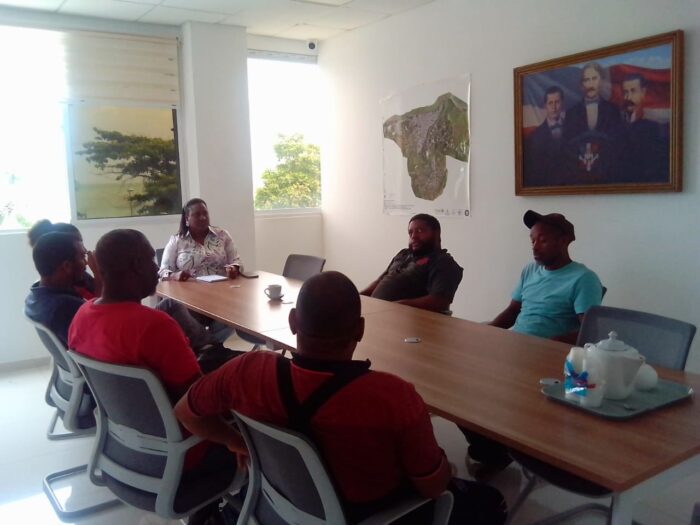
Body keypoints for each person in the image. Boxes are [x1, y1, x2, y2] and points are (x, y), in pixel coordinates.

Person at [174, 271, 507, 524]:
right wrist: (445, 467)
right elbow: (432, 488)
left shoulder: (246, 371)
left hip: (280, 505)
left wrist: (237, 442)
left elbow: (186, 412)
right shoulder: (393, 396)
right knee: (490, 500)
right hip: (368, 514)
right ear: (360, 329)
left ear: (292, 322)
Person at [68, 228, 238, 525]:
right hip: (182, 457)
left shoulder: (81, 318)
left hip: (125, 451)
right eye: (151, 260)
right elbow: (199, 407)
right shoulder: (155, 326)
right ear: (135, 266)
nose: (156, 269)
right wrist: (239, 439)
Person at [491, 210, 603, 343]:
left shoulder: (584, 279)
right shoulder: (530, 270)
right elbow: (512, 311)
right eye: (532, 241)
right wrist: (487, 330)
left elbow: (590, 331)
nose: (535, 247)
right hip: (516, 343)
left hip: (549, 350)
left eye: (543, 240)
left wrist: (552, 343)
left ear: (563, 241)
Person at [159, 198, 241, 343]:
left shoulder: (222, 235)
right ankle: (210, 345)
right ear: (187, 219)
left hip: (221, 294)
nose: (203, 217)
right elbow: (163, 271)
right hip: (190, 298)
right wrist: (175, 275)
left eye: (205, 213)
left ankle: (207, 345)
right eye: (197, 215)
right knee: (186, 319)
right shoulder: (177, 241)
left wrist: (234, 268)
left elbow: (237, 261)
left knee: (236, 312)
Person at [360, 214, 463, 313]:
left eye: (420, 231)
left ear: (436, 233)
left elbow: (439, 301)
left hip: (405, 318)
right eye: (410, 232)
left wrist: (394, 307)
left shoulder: (443, 262)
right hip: (377, 311)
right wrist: (357, 297)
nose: (414, 236)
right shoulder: (403, 254)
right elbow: (380, 281)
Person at [25, 232, 90, 347]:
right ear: (67, 266)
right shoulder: (66, 306)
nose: (86, 263)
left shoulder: (33, 297)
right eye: (82, 257)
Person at [562, 62, 622, 181]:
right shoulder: (571, 114)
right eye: (586, 80)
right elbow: (566, 148)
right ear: (582, 85)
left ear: (601, 81)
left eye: (594, 78)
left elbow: (618, 145)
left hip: (608, 177)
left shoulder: (613, 111)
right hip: (578, 178)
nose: (590, 84)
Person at [27, 219, 101, 299]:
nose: (85, 249)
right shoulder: (67, 295)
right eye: (78, 243)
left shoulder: (81, 277)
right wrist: (98, 273)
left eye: (81, 243)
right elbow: (101, 303)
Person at [618, 73, 669, 183]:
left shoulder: (654, 127)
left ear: (643, 92)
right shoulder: (615, 123)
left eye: (633, 91)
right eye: (626, 92)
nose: (628, 97)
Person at [524, 86, 566, 186]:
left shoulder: (573, 128)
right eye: (550, 103)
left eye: (557, 102)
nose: (554, 107)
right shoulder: (535, 136)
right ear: (545, 106)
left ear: (562, 103)